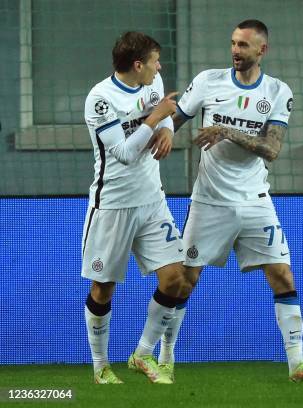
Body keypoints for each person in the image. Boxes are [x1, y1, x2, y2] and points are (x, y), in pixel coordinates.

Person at [170, 19, 303, 382]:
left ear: (262, 50)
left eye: (243, 45)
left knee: (282, 275)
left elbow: (272, 150)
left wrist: (226, 130)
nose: (235, 51)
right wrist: (150, 131)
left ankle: (297, 364)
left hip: (255, 199)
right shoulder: (208, 81)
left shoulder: (277, 91)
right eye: (232, 43)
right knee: (183, 280)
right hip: (210, 200)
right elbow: (174, 122)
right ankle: (165, 357)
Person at [82, 31, 192, 384]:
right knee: (104, 288)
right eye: (155, 61)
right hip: (112, 205)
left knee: (176, 279)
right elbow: (126, 154)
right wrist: (155, 117)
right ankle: (100, 366)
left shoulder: (153, 81)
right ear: (137, 65)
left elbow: (162, 119)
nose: (160, 67)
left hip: (152, 201)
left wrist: (168, 130)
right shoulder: (100, 99)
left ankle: (143, 353)